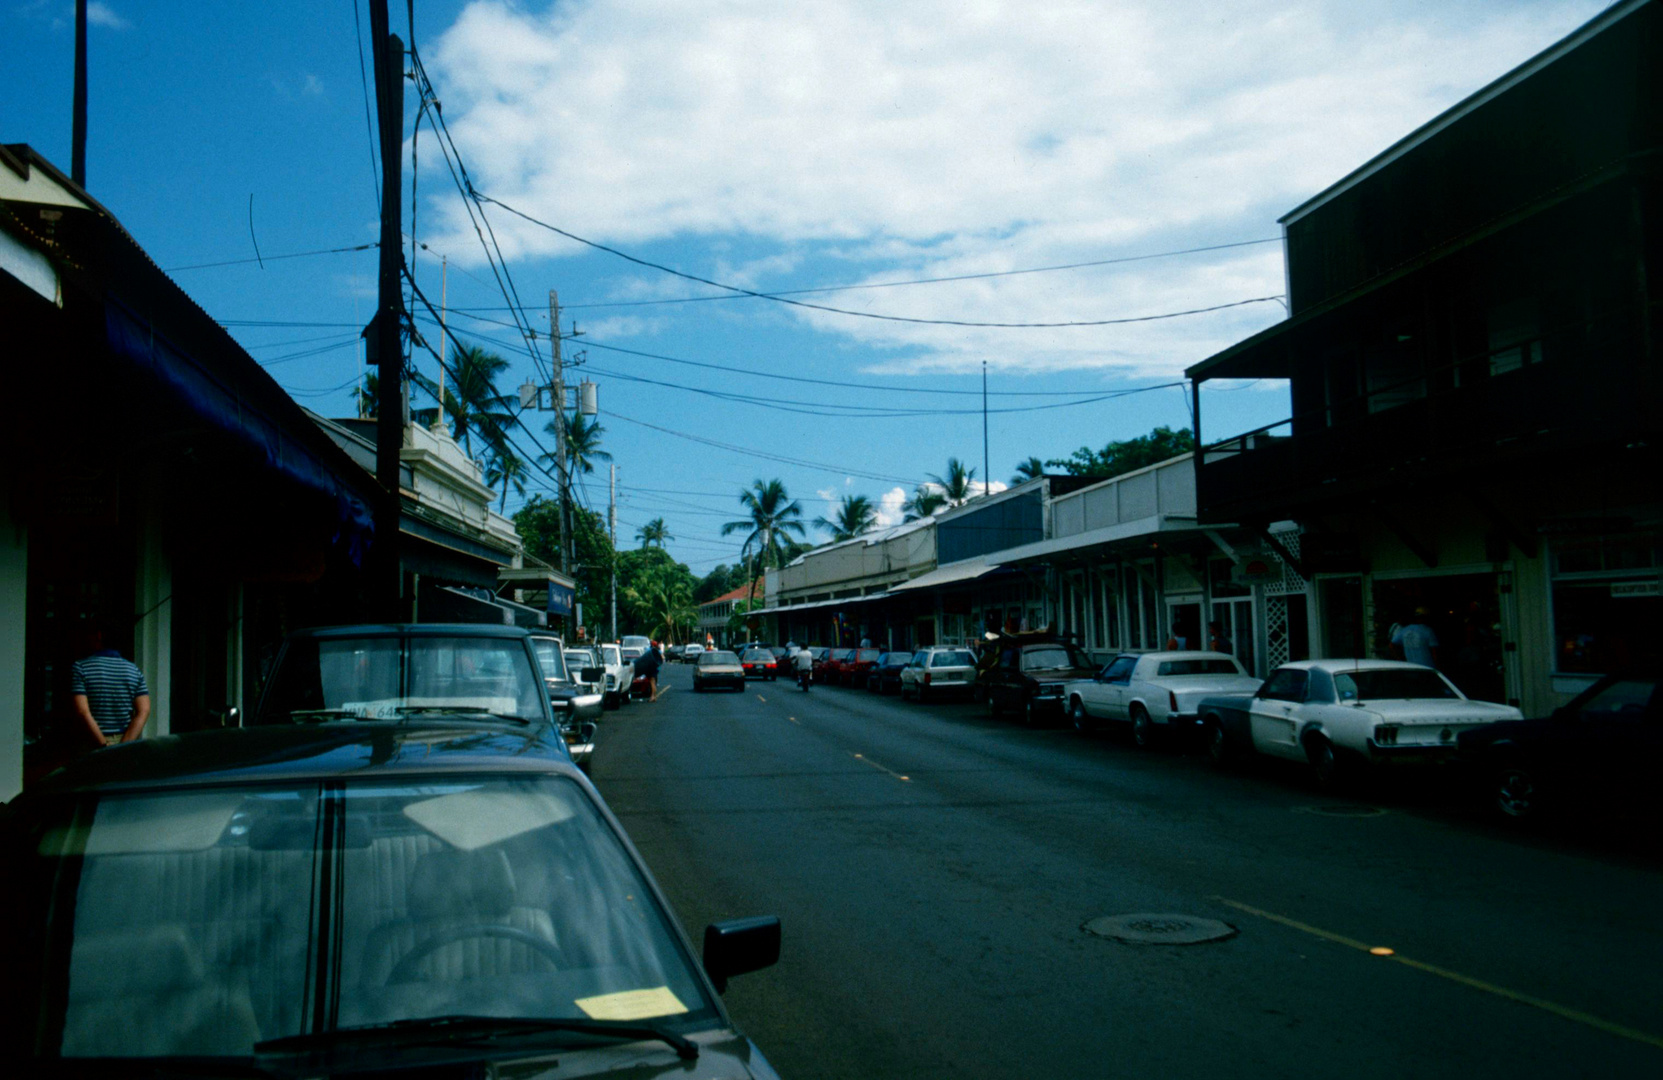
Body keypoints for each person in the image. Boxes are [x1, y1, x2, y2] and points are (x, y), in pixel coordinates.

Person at [71, 623, 150, 749]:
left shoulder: (81, 667)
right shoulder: (133, 670)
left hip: (91, 741)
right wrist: (125, 743)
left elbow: (82, 711)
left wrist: (103, 745)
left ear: (99, 635)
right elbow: (144, 710)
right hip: (124, 739)